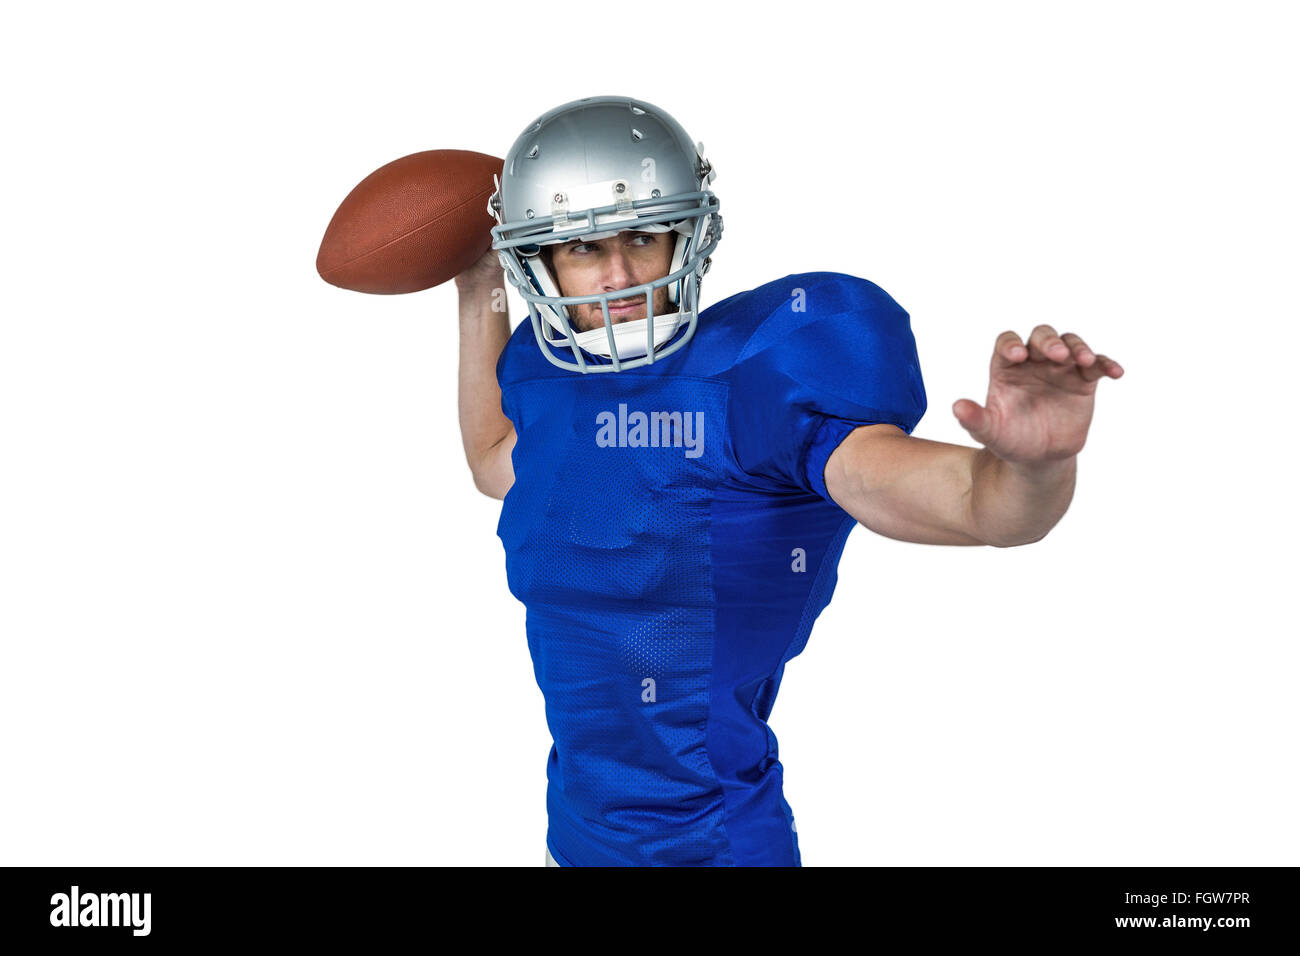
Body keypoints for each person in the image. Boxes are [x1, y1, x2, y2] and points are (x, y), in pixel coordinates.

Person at [454, 95, 1123, 867]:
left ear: (688, 233)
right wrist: (478, 290)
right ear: (538, 263)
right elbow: (496, 461)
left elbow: (979, 508)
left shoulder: (757, 375)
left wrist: (1029, 467)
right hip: (572, 838)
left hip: (712, 847)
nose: (618, 274)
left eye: (642, 236)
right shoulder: (549, 369)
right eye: (581, 248)